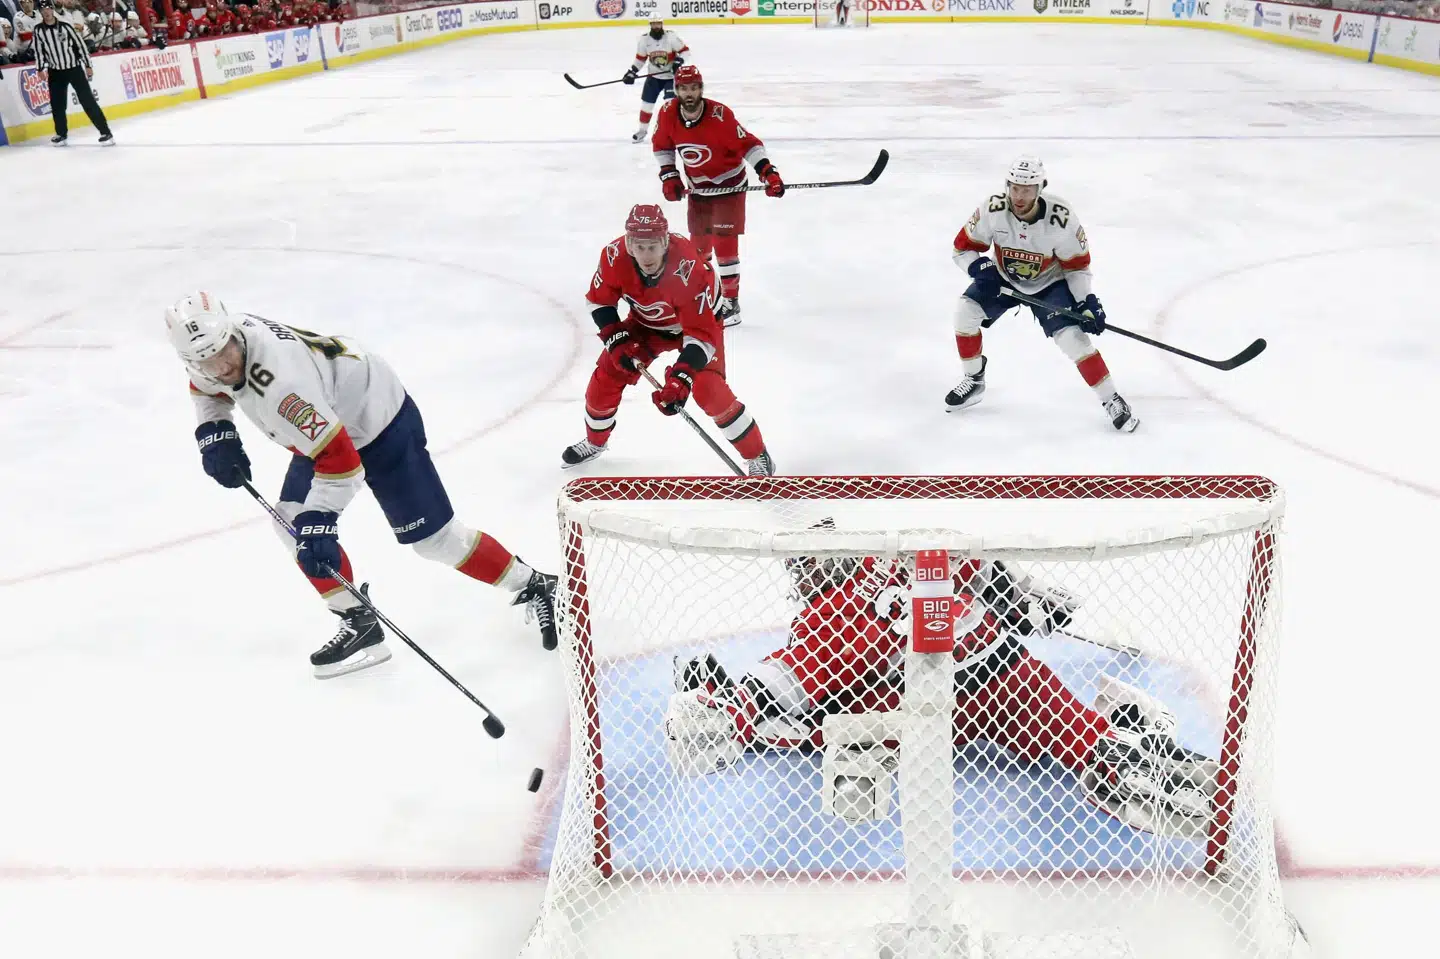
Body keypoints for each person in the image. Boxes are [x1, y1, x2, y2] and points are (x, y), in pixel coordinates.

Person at [666, 539, 1216, 835]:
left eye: (805, 568)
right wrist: (1023, 601)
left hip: (969, 693)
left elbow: (790, 676)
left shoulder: (839, 605)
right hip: (987, 683)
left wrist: (727, 708)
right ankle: (1125, 760)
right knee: (818, 721)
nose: (801, 582)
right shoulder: (874, 572)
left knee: (815, 722)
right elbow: (971, 573)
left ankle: (1125, 760)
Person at [165, 292, 559, 678]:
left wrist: (321, 519)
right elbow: (206, 387)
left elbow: (343, 462)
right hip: (327, 419)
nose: (222, 368)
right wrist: (215, 430)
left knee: (434, 542)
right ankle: (359, 621)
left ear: (232, 332)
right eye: (208, 362)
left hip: (379, 422)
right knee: (289, 519)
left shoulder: (284, 388)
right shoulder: (212, 348)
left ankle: (539, 585)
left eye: (224, 353)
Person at [561, 203, 777, 476]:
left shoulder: (688, 268)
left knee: (708, 389)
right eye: (639, 246)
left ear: (665, 242)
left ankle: (758, 457)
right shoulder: (613, 256)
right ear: (628, 244)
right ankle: (595, 442)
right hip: (646, 324)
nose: (646, 254)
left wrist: (681, 378)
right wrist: (617, 341)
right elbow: (599, 302)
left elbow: (701, 336)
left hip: (698, 326)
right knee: (606, 377)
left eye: (653, 246)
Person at [947, 155, 1138, 431]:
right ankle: (974, 380)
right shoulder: (993, 209)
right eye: (1014, 188)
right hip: (1003, 278)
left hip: (1050, 284)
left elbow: (1077, 267)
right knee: (965, 313)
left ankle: (1112, 399)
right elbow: (961, 248)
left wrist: (1087, 302)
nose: (1019, 196)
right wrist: (979, 267)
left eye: (1026, 190)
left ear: (1040, 189)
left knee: (1074, 339)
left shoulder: (1061, 219)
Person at [652, 65, 784, 328]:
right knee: (698, 249)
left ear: (701, 89)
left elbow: (750, 145)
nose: (689, 94)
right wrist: (669, 176)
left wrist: (768, 173)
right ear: (676, 90)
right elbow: (663, 146)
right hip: (699, 189)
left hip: (729, 186)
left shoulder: (720, 116)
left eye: (694, 88)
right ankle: (705, 296)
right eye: (684, 88)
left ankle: (731, 303)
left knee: (724, 244)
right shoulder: (668, 114)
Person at [30, 0, 113, 145]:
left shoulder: (65, 26)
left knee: (87, 101)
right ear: (40, 12)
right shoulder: (38, 30)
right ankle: (61, 134)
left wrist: (88, 65)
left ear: (52, 9)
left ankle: (106, 132)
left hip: (73, 68)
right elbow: (38, 51)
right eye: (43, 10)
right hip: (55, 71)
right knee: (57, 104)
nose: (46, 12)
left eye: (48, 9)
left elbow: (80, 46)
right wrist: (40, 68)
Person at [623, 18, 687, 144]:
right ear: (650, 24)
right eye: (654, 23)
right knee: (647, 105)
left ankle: (674, 132)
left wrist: (679, 61)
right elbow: (640, 59)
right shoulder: (644, 40)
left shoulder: (671, 37)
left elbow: (685, 51)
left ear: (661, 24)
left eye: (658, 23)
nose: (656, 26)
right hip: (653, 77)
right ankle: (642, 131)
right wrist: (632, 71)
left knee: (670, 105)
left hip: (670, 77)